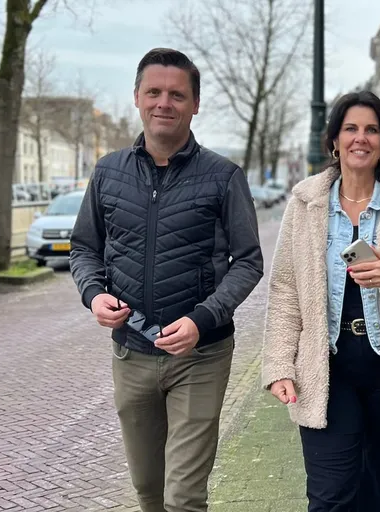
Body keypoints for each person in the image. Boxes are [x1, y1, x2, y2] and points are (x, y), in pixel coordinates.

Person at [69, 48, 264, 512]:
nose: (164, 103)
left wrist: (202, 318)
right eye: (153, 92)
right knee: (148, 491)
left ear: (195, 104)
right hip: (131, 352)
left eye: (177, 95)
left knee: (183, 498)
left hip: (202, 354)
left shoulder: (223, 177)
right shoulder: (108, 172)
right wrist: (93, 294)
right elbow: (84, 248)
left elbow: (249, 262)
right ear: (136, 97)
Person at [260, 91, 380, 512]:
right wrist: (278, 365)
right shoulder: (306, 203)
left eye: (371, 129)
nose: (360, 138)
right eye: (350, 129)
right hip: (326, 370)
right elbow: (286, 289)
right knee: (330, 497)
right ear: (334, 140)